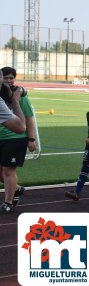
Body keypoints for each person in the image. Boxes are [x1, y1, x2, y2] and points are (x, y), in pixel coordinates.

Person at [0, 68, 28, 214]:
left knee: (8, 170)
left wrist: (31, 139)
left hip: (15, 138)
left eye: (11, 78)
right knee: (2, 172)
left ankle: (8, 202)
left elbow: (27, 119)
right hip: (2, 137)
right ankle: (16, 188)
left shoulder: (19, 95)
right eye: (5, 78)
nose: (8, 81)